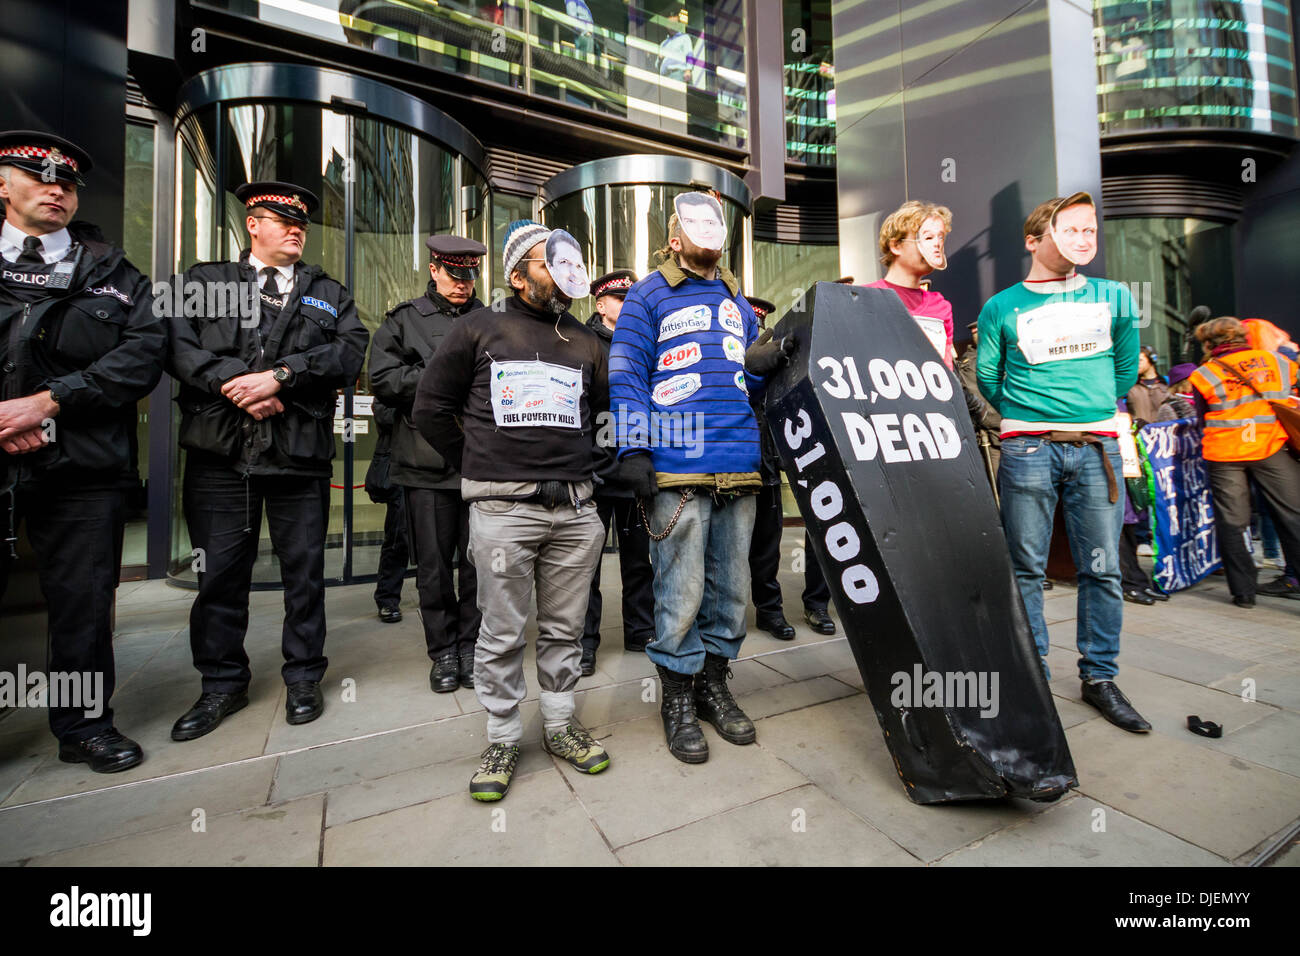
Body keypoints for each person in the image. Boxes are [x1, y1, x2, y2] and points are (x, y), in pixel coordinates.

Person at [413, 219, 612, 801]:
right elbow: (430, 408)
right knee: (500, 633)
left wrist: (587, 470)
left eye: (566, 259)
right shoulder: (479, 327)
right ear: (517, 272)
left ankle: (558, 725)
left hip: (576, 513)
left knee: (565, 629)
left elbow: (602, 416)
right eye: (548, 261)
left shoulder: (587, 340)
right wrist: (479, 465)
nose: (562, 271)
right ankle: (502, 735)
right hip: (504, 511)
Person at [166, 181, 368, 739]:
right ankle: (221, 686)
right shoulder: (207, 282)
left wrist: (282, 376)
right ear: (253, 224)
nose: (295, 226)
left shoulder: (330, 291)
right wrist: (236, 383)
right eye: (282, 218)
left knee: (304, 575)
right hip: (221, 456)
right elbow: (179, 347)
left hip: (299, 457)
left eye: (300, 220)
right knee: (220, 576)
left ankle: (303, 677)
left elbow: (349, 351)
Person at [0, 130, 166, 772]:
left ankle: (83, 726)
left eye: (66, 183)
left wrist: (47, 402)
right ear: (4, 185)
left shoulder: (113, 273)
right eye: (40, 178)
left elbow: (142, 355)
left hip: (82, 467)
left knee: (83, 602)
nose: (56, 189)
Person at [609, 196, 795, 764]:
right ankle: (678, 697)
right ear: (674, 235)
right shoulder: (647, 294)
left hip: (738, 463)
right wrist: (635, 448)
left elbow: (746, 386)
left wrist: (761, 372)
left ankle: (715, 685)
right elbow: (626, 372)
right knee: (681, 589)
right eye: (696, 225)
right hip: (678, 463)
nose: (708, 233)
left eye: (716, 225)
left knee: (732, 589)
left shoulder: (738, 301)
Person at [976, 191, 1149, 733]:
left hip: (1097, 448)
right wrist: (1033, 418)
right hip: (1029, 448)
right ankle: (1034, 678)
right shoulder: (1002, 306)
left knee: (1103, 569)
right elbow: (988, 379)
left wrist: (1084, 412)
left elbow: (1124, 372)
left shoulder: (1115, 297)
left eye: (1089, 231)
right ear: (1034, 240)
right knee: (1024, 568)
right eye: (1069, 230)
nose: (1083, 239)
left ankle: (1099, 678)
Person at [369, 235, 486, 693]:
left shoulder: (489, 319)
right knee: (434, 567)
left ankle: (472, 645)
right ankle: (443, 652)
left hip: (480, 461)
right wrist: (444, 373)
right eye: (455, 275)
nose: (462, 285)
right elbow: (382, 378)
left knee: (479, 565)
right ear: (435, 269)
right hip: (424, 463)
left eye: (469, 276)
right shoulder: (404, 321)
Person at [1187, 316, 1300, 608]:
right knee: (1293, 516)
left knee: (1233, 523)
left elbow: (1201, 418)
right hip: (1271, 447)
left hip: (1225, 455)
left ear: (1210, 343)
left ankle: (1243, 592)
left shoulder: (1204, 374)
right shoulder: (1278, 362)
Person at [582, 268, 654, 676]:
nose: (627, 306)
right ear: (601, 303)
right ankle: (586, 642)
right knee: (585, 567)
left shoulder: (645, 341)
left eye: (632, 298)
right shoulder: (582, 340)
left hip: (634, 469)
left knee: (638, 560)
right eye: (620, 299)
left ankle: (640, 631)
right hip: (595, 470)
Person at [744, 296, 796, 640]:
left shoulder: (775, 360)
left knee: (767, 547)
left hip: (767, 465)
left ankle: (770, 611)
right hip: (733, 464)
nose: (757, 332)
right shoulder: (727, 355)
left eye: (761, 327)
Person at [864, 200, 955, 369]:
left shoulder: (941, 306)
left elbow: (946, 370)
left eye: (940, 237)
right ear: (896, 245)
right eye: (927, 237)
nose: (937, 245)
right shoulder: (863, 298)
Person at [364, 396, 407, 624]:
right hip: (400, 471)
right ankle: (388, 599)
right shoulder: (391, 387)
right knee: (398, 539)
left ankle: (433, 596)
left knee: (433, 541)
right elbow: (385, 416)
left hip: (432, 470)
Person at [1126, 346, 1169, 423]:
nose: (1136, 364)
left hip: (1163, 432)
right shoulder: (1129, 385)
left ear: (1152, 360)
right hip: (1139, 433)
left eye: (1140, 360)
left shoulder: (1166, 383)